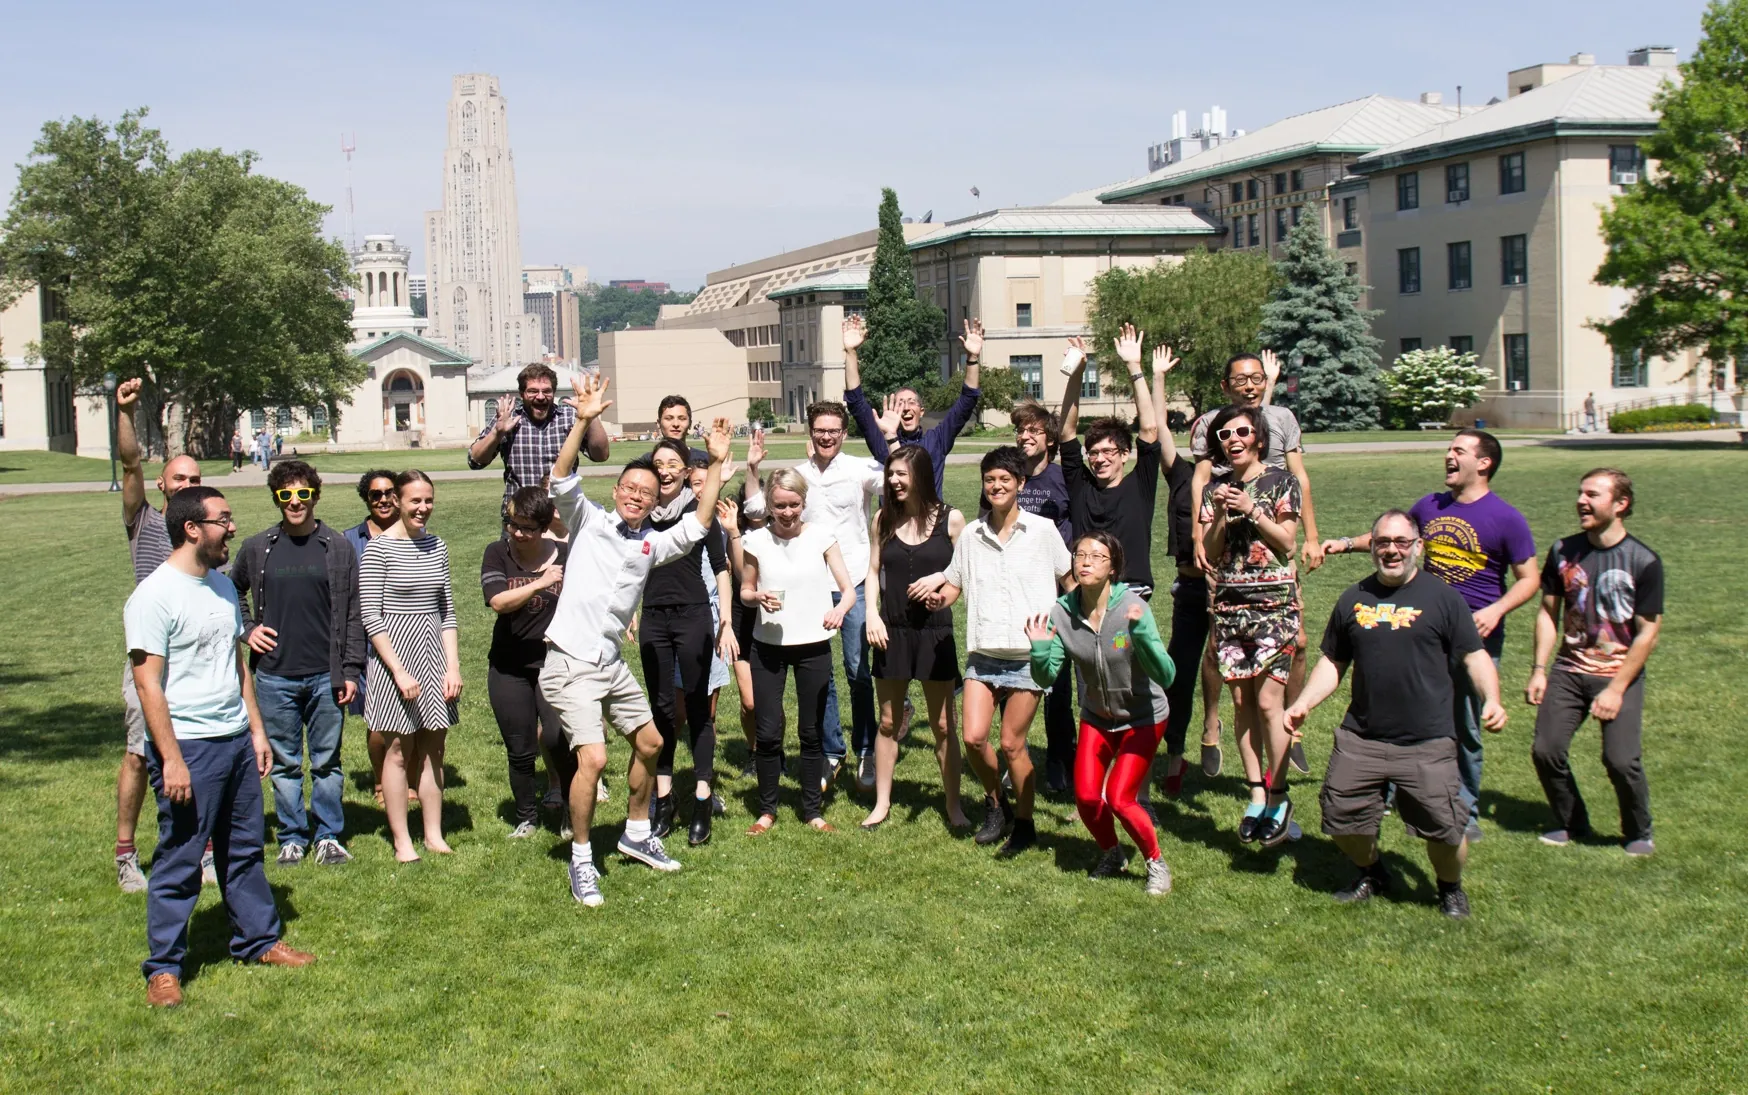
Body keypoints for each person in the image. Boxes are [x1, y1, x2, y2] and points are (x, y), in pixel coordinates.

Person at [538, 376, 732, 907]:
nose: (637, 497)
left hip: (608, 662)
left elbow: (698, 524)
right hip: (569, 662)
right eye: (630, 489)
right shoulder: (589, 522)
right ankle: (582, 860)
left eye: (646, 494)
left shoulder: (651, 543)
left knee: (650, 743)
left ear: (652, 502)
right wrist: (582, 420)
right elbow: (560, 479)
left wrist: (714, 465)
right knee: (594, 758)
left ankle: (636, 832)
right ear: (617, 490)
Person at [126, 486, 315, 1007]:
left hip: (233, 739)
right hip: (188, 745)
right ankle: (163, 968)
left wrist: (255, 730)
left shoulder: (222, 589)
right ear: (192, 528)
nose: (232, 528)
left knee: (245, 850)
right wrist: (170, 759)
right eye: (223, 520)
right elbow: (148, 686)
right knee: (181, 857)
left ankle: (257, 941)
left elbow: (235, 665)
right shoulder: (154, 596)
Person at [1286, 509, 1506, 919]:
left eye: (1401, 542)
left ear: (1417, 548)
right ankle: (1372, 872)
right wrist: (1303, 702)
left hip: (1427, 739)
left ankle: (1449, 888)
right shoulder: (1353, 599)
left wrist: (1491, 699)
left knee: (1445, 828)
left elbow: (1474, 656)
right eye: (1383, 542)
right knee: (1341, 818)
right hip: (1363, 736)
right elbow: (1332, 663)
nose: (1391, 550)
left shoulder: (1443, 599)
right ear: (1373, 548)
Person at [1320, 430, 1538, 841]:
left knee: (1464, 727)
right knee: (1397, 713)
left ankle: (1464, 809)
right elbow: (1392, 537)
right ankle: (1383, 793)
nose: (1448, 456)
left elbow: (1530, 579)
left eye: (1459, 450)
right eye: (1449, 449)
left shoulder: (1506, 518)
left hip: (1474, 634)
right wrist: (1345, 543)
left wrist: (1496, 609)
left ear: (1484, 462)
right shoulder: (1430, 506)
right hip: (1420, 629)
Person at [926, 446, 1073, 856]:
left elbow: (1070, 580)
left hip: (1028, 655)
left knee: (1011, 744)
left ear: (1020, 484)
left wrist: (1081, 625)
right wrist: (938, 600)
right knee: (973, 738)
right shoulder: (972, 534)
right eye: (990, 479)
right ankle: (997, 803)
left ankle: (1025, 827)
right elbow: (955, 583)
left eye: (1005, 479)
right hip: (985, 651)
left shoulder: (1043, 531)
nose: (996, 486)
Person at [1190, 350, 1322, 777]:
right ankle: (1215, 728)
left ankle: (1287, 734)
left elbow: (1295, 490)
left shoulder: (1279, 433)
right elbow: (1202, 486)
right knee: (1233, 676)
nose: (1234, 438)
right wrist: (1208, 527)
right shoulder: (1216, 456)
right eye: (1241, 378)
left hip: (1273, 573)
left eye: (1258, 378)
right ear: (1225, 384)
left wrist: (1310, 536)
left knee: (1291, 656)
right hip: (1231, 580)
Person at [229, 460, 365, 867]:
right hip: (273, 676)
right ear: (276, 498)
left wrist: (352, 670)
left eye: (303, 494)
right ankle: (291, 834)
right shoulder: (257, 548)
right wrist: (247, 629)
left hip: (327, 675)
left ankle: (327, 836)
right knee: (285, 762)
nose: (295, 502)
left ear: (315, 496)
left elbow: (354, 613)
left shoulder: (336, 546)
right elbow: (230, 593)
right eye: (286, 495)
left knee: (327, 762)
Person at [1026, 530, 1176, 895]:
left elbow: (1166, 675)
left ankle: (1156, 863)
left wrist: (1142, 638)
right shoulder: (1062, 612)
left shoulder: (1132, 608)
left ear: (1113, 568)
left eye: (1097, 556)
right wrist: (1039, 651)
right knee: (1088, 797)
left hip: (1143, 716)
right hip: (1097, 716)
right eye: (1080, 555)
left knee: (1122, 798)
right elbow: (1046, 676)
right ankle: (1113, 853)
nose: (1086, 562)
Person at [743, 400, 881, 792]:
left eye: (834, 430)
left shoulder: (859, 469)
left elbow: (898, 482)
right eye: (820, 429)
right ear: (810, 431)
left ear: (844, 433)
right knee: (823, 674)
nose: (826, 436)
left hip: (851, 579)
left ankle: (866, 749)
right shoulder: (798, 475)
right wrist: (752, 469)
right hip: (810, 585)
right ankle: (831, 752)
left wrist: (887, 437)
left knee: (857, 669)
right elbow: (756, 509)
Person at [1526, 469, 1663, 856]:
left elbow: (1647, 633)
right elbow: (1546, 614)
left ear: (1621, 505)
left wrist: (1617, 688)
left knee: (1620, 760)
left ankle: (1639, 831)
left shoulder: (1644, 560)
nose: (1581, 501)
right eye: (1580, 493)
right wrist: (1539, 669)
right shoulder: (1562, 551)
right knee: (1546, 750)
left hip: (1618, 673)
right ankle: (1571, 822)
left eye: (1593, 495)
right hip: (1569, 670)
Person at [114, 377, 206, 893]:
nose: (187, 483)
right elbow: (130, 463)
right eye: (179, 478)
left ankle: (205, 850)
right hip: (151, 659)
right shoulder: (143, 521)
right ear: (163, 487)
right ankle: (126, 854)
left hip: (199, 661)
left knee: (202, 752)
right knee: (140, 752)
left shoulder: (211, 534)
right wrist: (125, 412)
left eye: (195, 477)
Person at [1202, 405, 1301, 846]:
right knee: (1241, 701)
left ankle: (1279, 794)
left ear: (1258, 437)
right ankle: (1256, 794)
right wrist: (1222, 514)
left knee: (1267, 703)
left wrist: (1252, 509)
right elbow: (1209, 550)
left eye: (1242, 431)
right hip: (1229, 604)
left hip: (1273, 605)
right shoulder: (1214, 490)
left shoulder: (1282, 482)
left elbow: (1287, 543)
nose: (1233, 439)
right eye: (1225, 433)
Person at [739, 468, 859, 834]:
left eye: (794, 505)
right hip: (768, 648)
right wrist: (757, 596)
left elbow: (849, 589)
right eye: (780, 506)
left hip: (813, 647)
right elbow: (745, 591)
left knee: (811, 731)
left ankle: (812, 810)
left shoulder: (822, 537)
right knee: (769, 730)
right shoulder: (756, 540)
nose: (788, 513)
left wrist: (839, 610)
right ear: (769, 505)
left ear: (804, 503)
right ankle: (767, 809)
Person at [359, 470, 462, 863]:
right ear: (398, 503)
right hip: (393, 662)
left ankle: (433, 834)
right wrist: (398, 670)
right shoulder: (379, 549)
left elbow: (447, 612)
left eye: (428, 501)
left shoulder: (438, 546)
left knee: (435, 748)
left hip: (433, 656)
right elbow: (371, 617)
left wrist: (452, 667)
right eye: (415, 501)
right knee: (398, 750)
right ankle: (402, 839)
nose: (423, 508)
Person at [862, 446, 968, 830]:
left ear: (920, 475)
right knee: (888, 721)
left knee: (943, 726)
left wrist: (941, 581)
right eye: (890, 474)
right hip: (891, 631)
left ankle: (954, 805)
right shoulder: (882, 519)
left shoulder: (951, 520)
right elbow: (873, 571)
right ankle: (882, 803)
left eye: (901, 474)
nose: (893, 481)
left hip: (934, 633)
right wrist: (872, 614)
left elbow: (965, 571)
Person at [639, 438, 734, 845]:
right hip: (655, 619)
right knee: (661, 711)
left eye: (672, 462)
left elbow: (721, 567)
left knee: (698, 709)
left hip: (694, 615)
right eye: (657, 462)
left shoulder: (700, 512)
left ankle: (701, 798)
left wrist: (726, 620)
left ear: (683, 469)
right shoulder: (640, 513)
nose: (664, 469)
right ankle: (664, 801)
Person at [481, 486, 577, 838]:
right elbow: (498, 601)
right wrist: (541, 582)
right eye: (512, 524)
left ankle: (571, 809)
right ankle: (526, 818)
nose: (518, 533)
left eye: (527, 527)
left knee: (557, 740)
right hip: (509, 665)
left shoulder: (568, 553)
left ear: (543, 526)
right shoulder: (497, 553)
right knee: (519, 748)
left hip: (556, 664)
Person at [1057, 324, 1163, 598]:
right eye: (1093, 453)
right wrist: (1077, 374)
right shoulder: (1082, 486)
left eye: (1108, 451)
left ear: (1125, 454)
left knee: (1119, 645)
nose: (1100, 459)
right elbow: (1067, 432)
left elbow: (1150, 430)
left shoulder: (1140, 485)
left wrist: (1134, 366)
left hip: (1131, 592)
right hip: (1086, 590)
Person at [1148, 350, 1211, 797]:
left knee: (1236, 675)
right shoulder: (1181, 474)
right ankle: (1174, 756)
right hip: (1189, 588)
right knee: (1179, 674)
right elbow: (1157, 427)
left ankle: (1216, 730)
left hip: (1229, 590)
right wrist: (1156, 378)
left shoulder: (1237, 480)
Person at [1009, 398, 1075, 795]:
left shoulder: (1062, 477)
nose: (1025, 436)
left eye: (1033, 430)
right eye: (1021, 430)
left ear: (1049, 438)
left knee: (1058, 684)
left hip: (1056, 592)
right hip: (1017, 589)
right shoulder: (1011, 477)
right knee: (1014, 675)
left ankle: (1058, 759)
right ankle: (1014, 754)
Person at [842, 312, 982, 494]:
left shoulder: (937, 440)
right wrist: (851, 352)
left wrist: (972, 358)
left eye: (911, 403)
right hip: (894, 522)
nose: (906, 408)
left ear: (921, 411)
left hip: (929, 521)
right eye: (900, 403)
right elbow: (856, 402)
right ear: (892, 410)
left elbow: (967, 401)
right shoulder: (881, 440)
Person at [468, 363, 610, 517]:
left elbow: (600, 455)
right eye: (533, 391)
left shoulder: (569, 419)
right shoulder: (509, 420)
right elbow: (475, 461)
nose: (540, 397)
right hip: (519, 517)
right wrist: (497, 433)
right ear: (522, 394)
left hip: (561, 515)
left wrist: (591, 417)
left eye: (546, 391)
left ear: (553, 392)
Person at [344, 470, 406, 806]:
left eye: (388, 492)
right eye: (375, 494)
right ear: (366, 499)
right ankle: (383, 782)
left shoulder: (413, 533)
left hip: (407, 636)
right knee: (378, 718)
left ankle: (405, 776)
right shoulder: (349, 540)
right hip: (366, 640)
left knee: (411, 716)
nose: (383, 499)